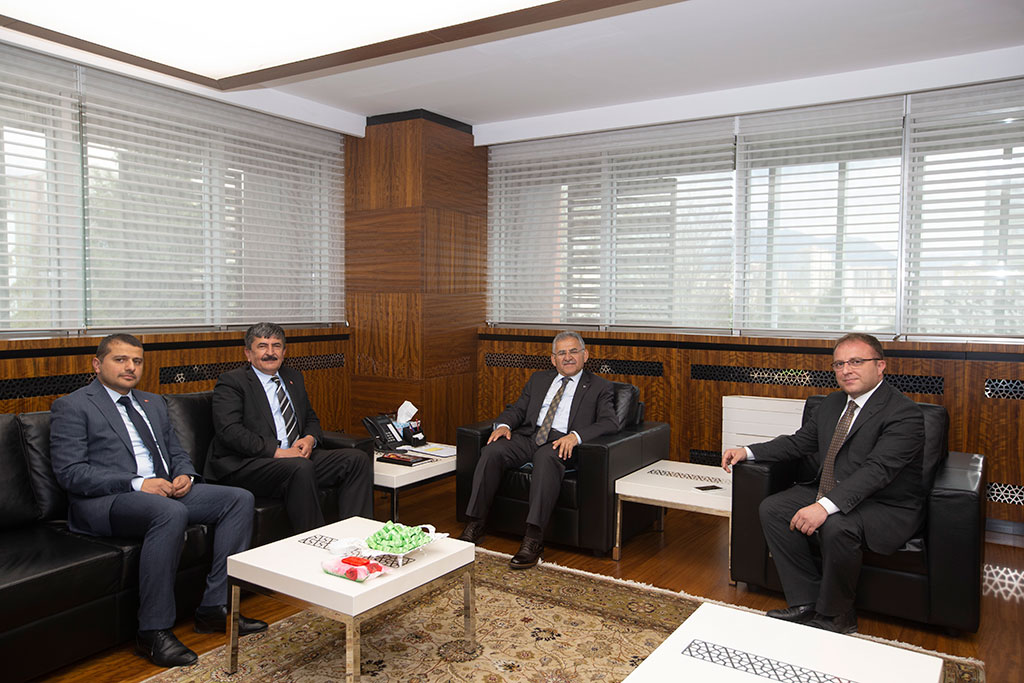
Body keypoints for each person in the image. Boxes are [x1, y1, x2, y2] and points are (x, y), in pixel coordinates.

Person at [49, 333, 267, 669]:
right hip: (108, 500)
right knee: (169, 512)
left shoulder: (152, 402)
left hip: (163, 492)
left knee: (238, 499)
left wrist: (185, 475)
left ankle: (215, 607)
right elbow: (71, 473)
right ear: (97, 364)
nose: (130, 367)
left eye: (137, 361)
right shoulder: (73, 406)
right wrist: (138, 484)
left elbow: (176, 451)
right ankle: (153, 632)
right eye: (120, 360)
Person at [721, 333, 925, 634]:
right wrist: (748, 451)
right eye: (839, 364)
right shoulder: (832, 403)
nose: (846, 370)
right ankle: (806, 601)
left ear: (880, 366)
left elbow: (877, 471)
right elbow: (798, 443)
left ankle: (838, 616)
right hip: (833, 490)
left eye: (856, 362)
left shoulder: (904, 413)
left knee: (837, 524)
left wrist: (823, 507)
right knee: (774, 509)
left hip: (883, 503)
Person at [458, 330, 618, 569]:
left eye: (573, 351)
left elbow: (610, 422)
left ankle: (533, 539)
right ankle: (475, 523)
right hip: (531, 436)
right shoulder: (539, 379)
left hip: (562, 443)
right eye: (561, 353)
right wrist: (504, 425)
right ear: (553, 359)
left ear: (585, 355)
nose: (568, 357)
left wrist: (576, 437)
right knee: (493, 450)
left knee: (545, 458)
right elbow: (518, 409)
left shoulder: (600, 386)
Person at [208, 322, 372, 533]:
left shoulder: (293, 377)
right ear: (248, 353)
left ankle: (356, 537)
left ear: (284, 352)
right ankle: (315, 542)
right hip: (249, 463)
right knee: (300, 467)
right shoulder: (232, 382)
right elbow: (230, 432)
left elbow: (310, 418)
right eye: (262, 346)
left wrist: (310, 439)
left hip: (294, 458)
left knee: (356, 460)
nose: (270, 352)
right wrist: (278, 452)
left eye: (276, 346)